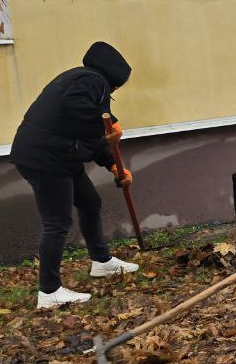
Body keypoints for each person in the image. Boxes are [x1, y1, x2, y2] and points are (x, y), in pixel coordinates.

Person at [9, 42, 139, 310]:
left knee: (90, 202)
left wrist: (112, 165)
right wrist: (108, 120)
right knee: (57, 222)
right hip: (45, 157)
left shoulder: (81, 80)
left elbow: (88, 132)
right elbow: (77, 106)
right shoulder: (91, 80)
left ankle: (101, 262)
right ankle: (49, 291)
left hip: (60, 155)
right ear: (114, 77)